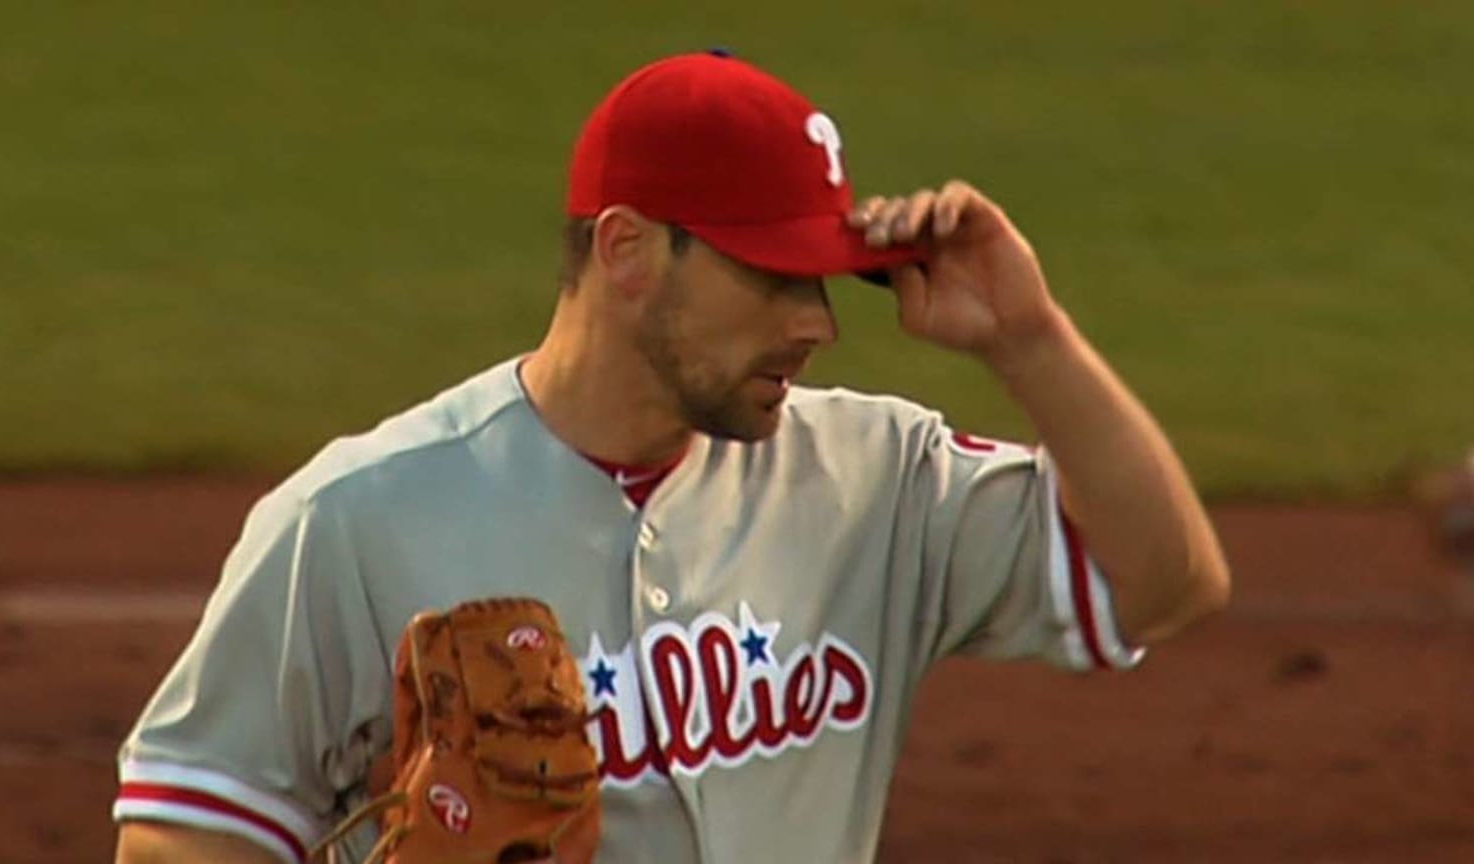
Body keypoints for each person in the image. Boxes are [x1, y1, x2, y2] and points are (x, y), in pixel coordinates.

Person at [113, 51, 1230, 863]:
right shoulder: (353, 519)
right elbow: (182, 831)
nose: (816, 323)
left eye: (826, 279)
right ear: (629, 250)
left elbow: (1165, 587)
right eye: (772, 277)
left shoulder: (878, 478)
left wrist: (1030, 341)